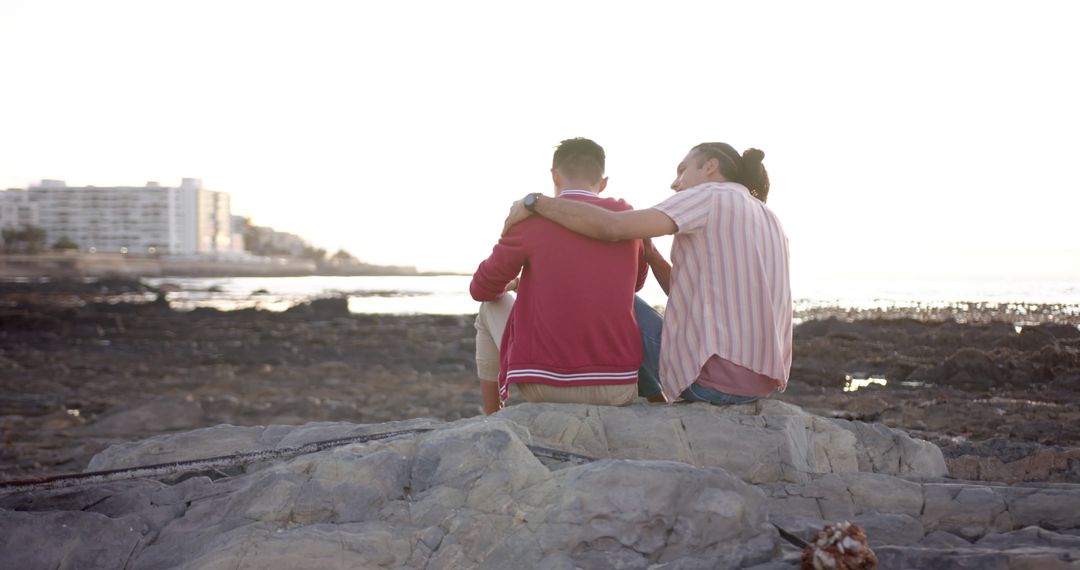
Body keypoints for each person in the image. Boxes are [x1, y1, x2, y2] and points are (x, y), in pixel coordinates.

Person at [502, 142, 792, 405]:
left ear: (710, 167)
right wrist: (651, 256)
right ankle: (655, 398)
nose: (675, 184)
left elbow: (613, 227)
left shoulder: (708, 195)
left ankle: (627, 389)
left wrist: (536, 203)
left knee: (615, 298)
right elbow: (688, 294)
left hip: (711, 382)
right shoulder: (767, 215)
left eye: (682, 171)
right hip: (755, 384)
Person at [470, 138, 648, 415]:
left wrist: (512, 254)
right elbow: (634, 284)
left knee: (489, 306)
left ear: (554, 175)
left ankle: (492, 415)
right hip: (618, 386)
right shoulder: (628, 219)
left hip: (548, 386)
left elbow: (481, 289)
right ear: (603, 182)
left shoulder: (531, 219)